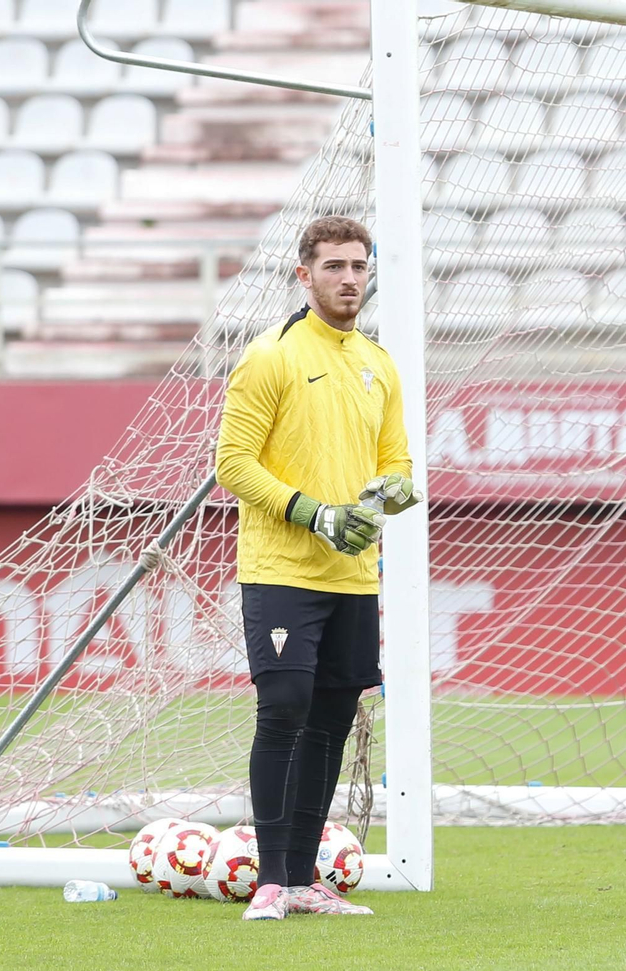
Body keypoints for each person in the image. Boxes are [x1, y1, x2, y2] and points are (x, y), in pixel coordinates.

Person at [215, 215, 420, 920]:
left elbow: (398, 465)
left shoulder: (378, 361)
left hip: (354, 574)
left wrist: (386, 497)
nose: (349, 278)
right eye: (334, 266)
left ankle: (302, 879)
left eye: (358, 266)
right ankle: (270, 879)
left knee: (333, 715)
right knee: (285, 707)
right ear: (304, 275)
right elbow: (232, 464)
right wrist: (315, 513)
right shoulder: (269, 356)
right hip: (280, 570)